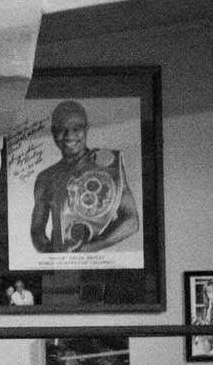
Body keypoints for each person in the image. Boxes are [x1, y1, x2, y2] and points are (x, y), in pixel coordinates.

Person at [29, 100, 140, 254]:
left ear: (86, 129)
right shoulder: (45, 178)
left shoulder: (108, 165)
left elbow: (132, 221)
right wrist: (53, 256)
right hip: (60, 262)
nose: (69, 136)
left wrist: (92, 248)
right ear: (53, 132)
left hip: (98, 262)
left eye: (77, 128)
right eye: (61, 129)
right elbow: (37, 232)